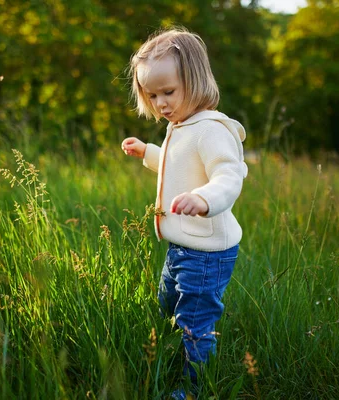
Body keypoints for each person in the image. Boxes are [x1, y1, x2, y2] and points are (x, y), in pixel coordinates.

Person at [121, 27, 248, 398]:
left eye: (169, 92)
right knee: (168, 305)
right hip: (181, 247)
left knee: (195, 320)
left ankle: (193, 387)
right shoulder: (181, 127)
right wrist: (148, 152)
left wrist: (205, 199)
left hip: (207, 252)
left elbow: (228, 175)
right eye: (152, 94)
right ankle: (162, 356)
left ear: (194, 80)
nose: (160, 103)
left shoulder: (211, 129)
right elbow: (176, 166)